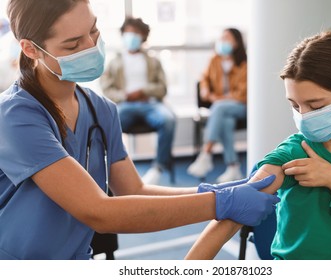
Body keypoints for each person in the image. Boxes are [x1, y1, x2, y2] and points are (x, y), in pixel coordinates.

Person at [0, 0, 280, 260]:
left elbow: (134, 189)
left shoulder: (101, 109)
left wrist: (212, 191)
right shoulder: (15, 116)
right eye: (73, 45)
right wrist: (219, 203)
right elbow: (98, 211)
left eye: (94, 30)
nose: (91, 46)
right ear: (31, 49)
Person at [185, 31, 331, 260]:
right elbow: (228, 221)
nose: (304, 117)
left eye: (315, 106)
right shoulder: (293, 155)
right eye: (295, 105)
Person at [100, 17, 175, 185]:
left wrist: (143, 91)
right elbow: (107, 89)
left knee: (168, 120)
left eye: (135, 33)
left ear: (143, 36)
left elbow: (162, 88)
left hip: (151, 104)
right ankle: (115, 171)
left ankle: (158, 168)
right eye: (128, 33)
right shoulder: (114, 62)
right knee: (108, 123)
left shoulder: (153, 61)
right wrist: (126, 96)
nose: (131, 36)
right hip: (125, 105)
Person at [187, 28, 247, 183]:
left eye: (227, 38)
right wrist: (208, 92)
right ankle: (233, 167)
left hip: (241, 106)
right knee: (226, 122)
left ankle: (206, 153)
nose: (222, 41)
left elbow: (242, 94)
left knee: (219, 108)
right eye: (221, 38)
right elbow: (204, 80)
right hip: (222, 109)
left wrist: (219, 99)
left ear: (236, 42)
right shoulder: (214, 60)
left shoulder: (244, 64)